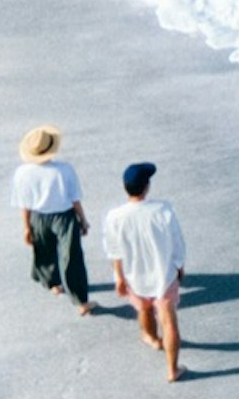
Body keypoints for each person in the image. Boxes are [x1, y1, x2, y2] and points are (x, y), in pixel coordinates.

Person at [102, 160, 189, 382]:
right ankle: (172, 370)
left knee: (143, 308)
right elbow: (177, 243)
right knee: (169, 321)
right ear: (147, 186)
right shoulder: (162, 209)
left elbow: (114, 250)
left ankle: (150, 337)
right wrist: (179, 266)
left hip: (134, 276)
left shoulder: (114, 216)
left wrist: (119, 277)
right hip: (163, 275)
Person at [11, 126, 91, 310]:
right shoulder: (64, 170)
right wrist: (83, 220)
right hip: (64, 217)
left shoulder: (23, 172)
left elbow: (25, 203)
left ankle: (54, 283)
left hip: (38, 217)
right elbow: (74, 198)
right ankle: (81, 300)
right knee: (72, 257)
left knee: (44, 251)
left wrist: (26, 227)